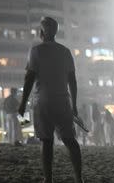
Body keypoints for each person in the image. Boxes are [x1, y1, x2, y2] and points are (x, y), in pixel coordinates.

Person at [18, 16, 83, 183]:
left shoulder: (36, 51)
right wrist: (74, 105)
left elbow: (29, 79)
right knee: (70, 140)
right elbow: (72, 81)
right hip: (62, 100)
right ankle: (79, 178)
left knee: (46, 142)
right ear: (56, 32)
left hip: (42, 101)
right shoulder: (65, 51)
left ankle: (48, 179)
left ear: (42, 32)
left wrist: (23, 103)